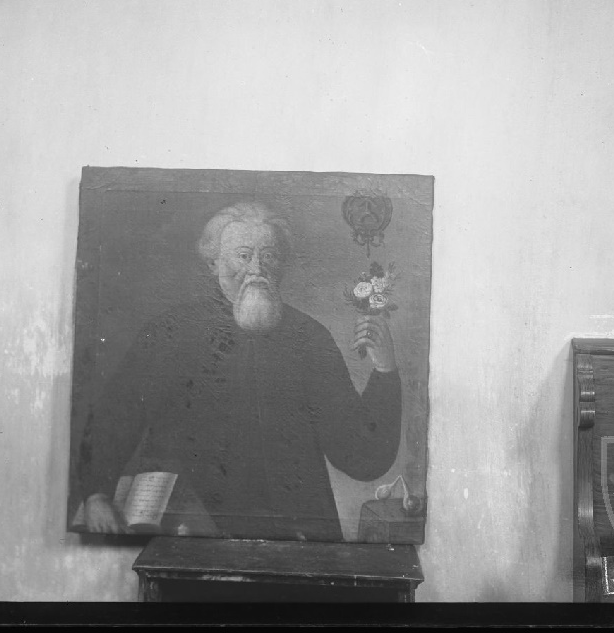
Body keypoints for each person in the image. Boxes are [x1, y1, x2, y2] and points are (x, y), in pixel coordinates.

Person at [74, 202, 402, 542]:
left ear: (282, 265)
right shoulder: (169, 332)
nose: (256, 269)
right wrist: (96, 494)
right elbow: (115, 415)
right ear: (214, 262)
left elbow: (359, 455)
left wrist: (384, 369)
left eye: (269, 256)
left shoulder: (310, 338)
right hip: (188, 534)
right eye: (243, 256)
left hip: (293, 538)